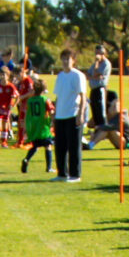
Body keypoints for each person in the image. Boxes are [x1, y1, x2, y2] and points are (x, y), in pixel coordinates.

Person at [50, 49, 87, 183]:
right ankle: (62, 173)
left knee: (74, 146)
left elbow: (83, 96)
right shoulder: (60, 76)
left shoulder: (78, 76)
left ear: (73, 60)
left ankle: (75, 174)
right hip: (60, 116)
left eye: (68, 59)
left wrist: (80, 114)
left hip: (73, 114)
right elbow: (58, 96)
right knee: (60, 147)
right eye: (63, 59)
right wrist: (54, 114)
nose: (65, 62)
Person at [18, 77, 55, 175]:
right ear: (44, 89)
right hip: (43, 126)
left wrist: (25, 127)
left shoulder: (30, 100)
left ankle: (26, 159)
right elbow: (51, 110)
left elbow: (27, 113)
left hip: (34, 126)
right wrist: (53, 121)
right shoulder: (45, 99)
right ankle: (48, 167)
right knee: (48, 146)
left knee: (35, 146)